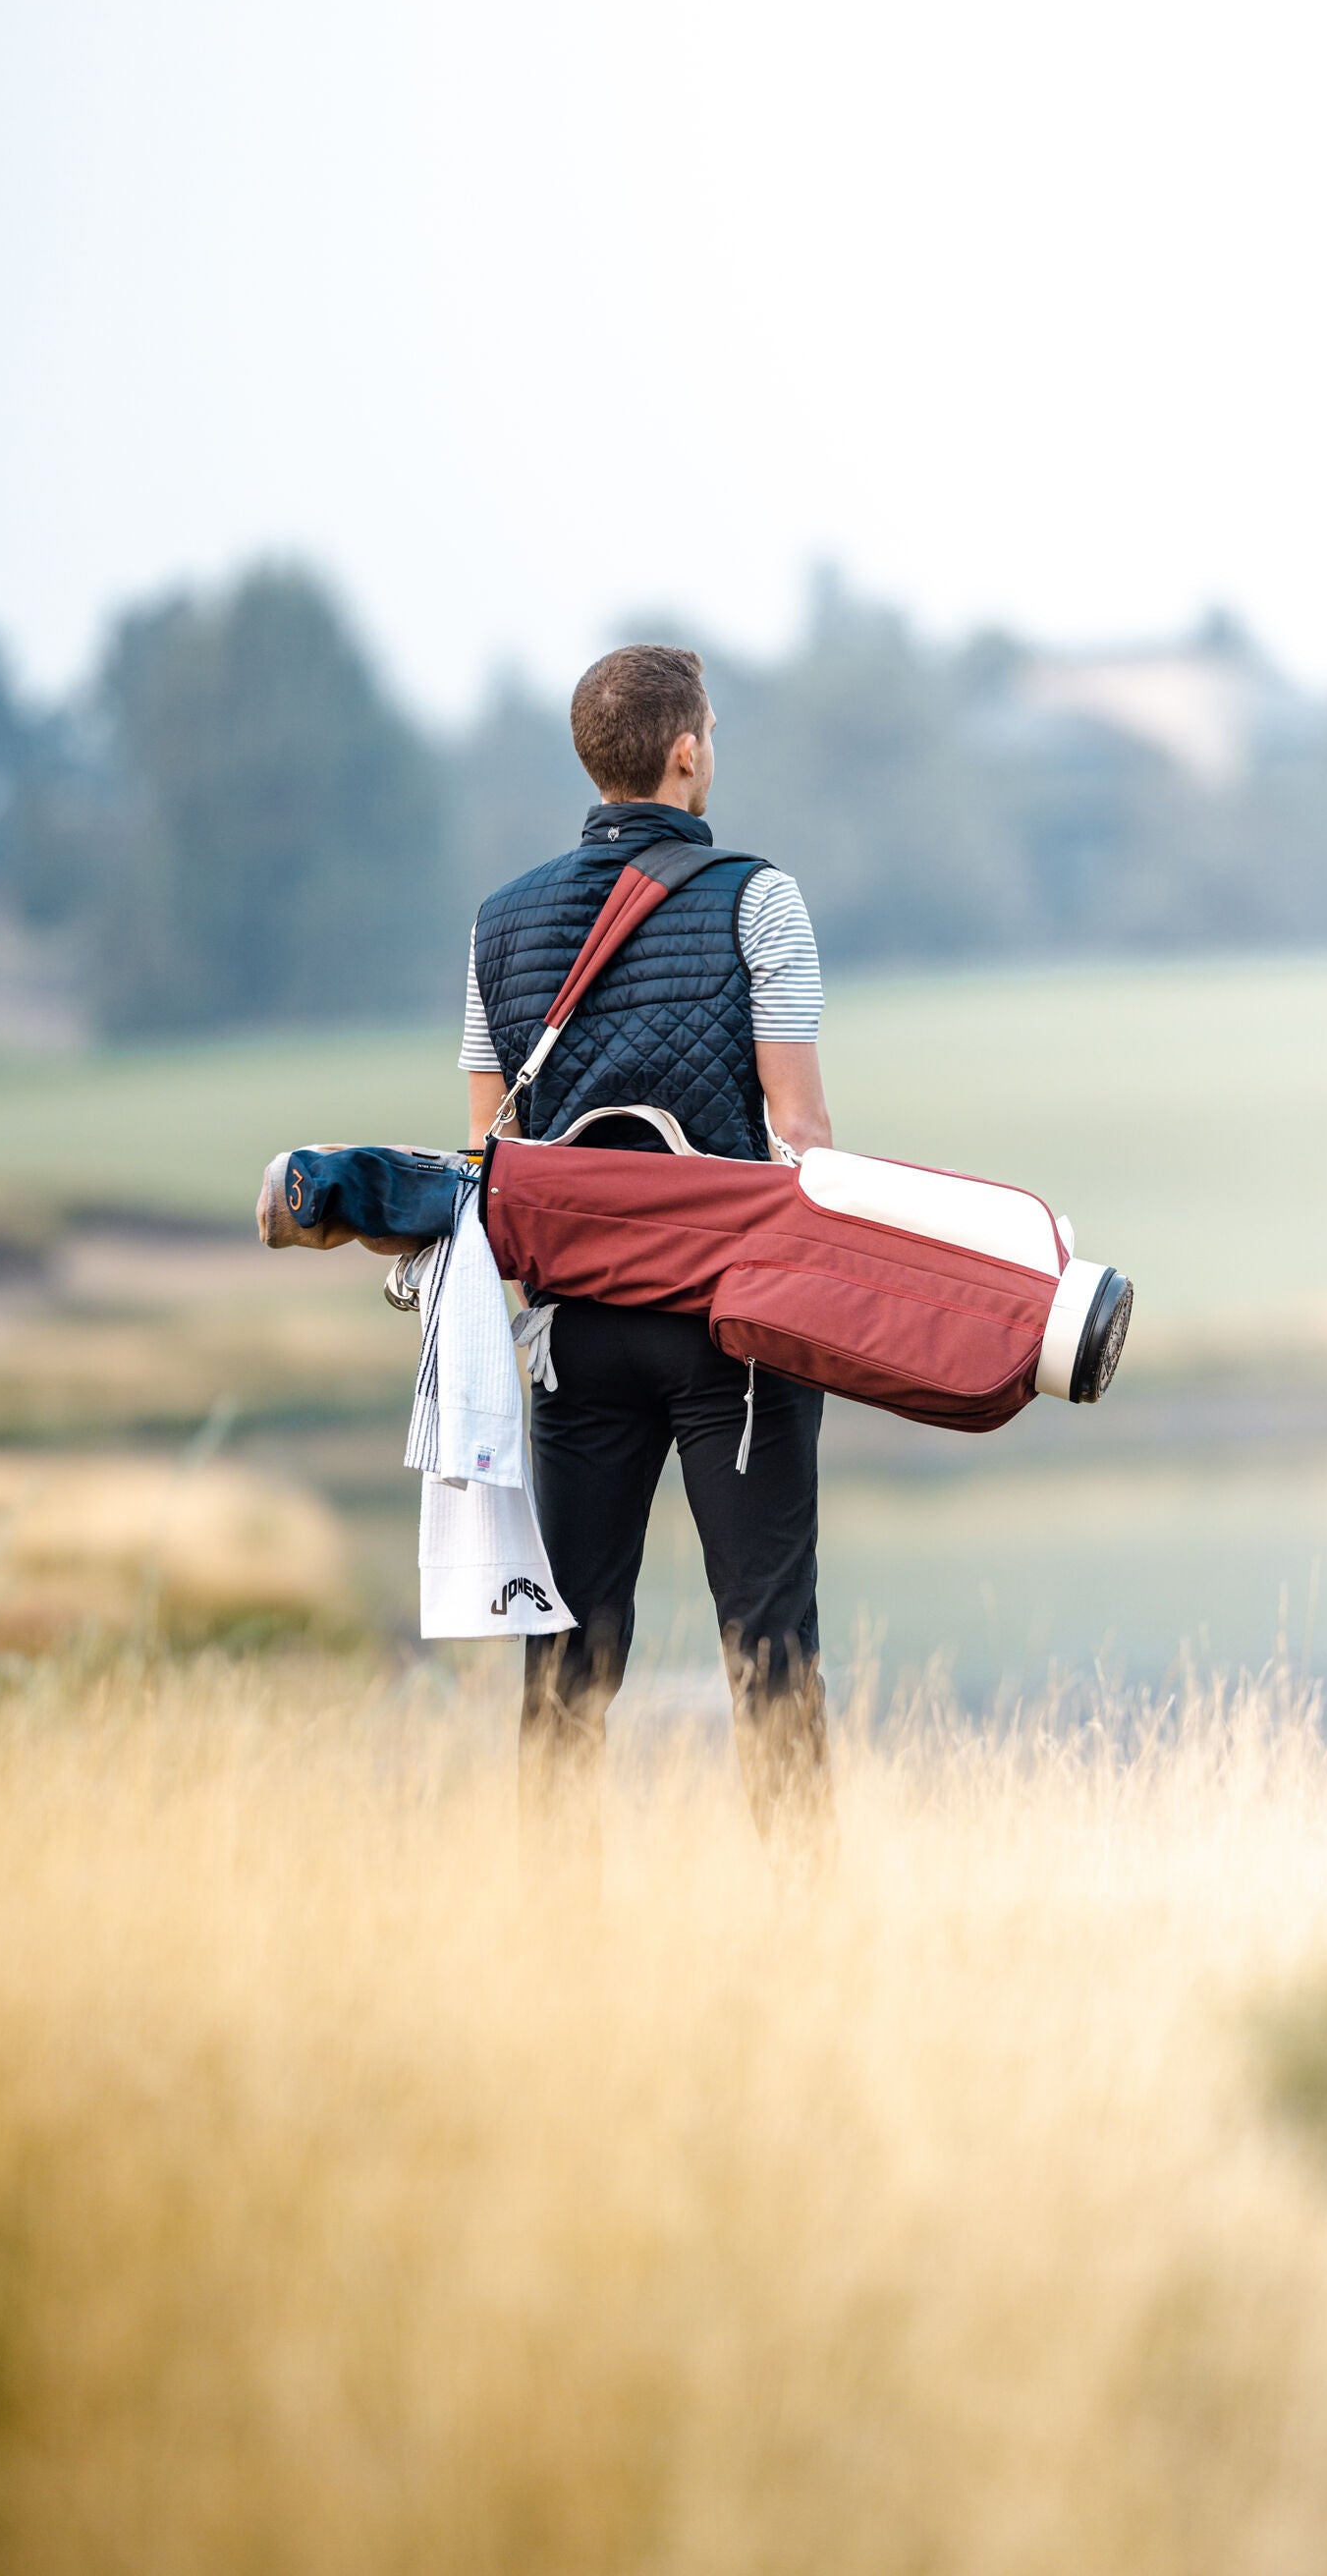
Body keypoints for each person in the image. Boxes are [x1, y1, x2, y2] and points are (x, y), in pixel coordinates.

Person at [461, 643, 835, 1868]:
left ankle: (555, 1940)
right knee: (768, 1641)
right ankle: (806, 1922)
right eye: (711, 731)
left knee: (568, 1656)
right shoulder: (757, 897)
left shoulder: (499, 927)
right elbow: (802, 1132)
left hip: (573, 1334)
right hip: (731, 1329)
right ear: (686, 752)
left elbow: (489, 1153)